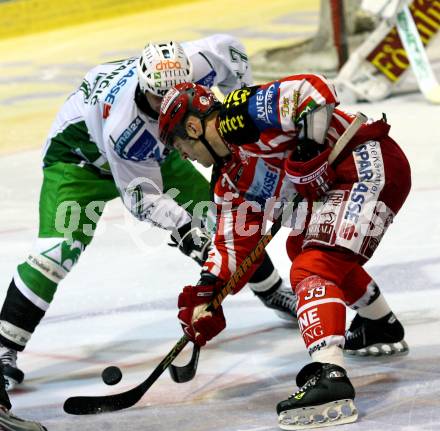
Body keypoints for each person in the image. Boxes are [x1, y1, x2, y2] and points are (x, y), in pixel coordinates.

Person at [0, 35, 298, 395]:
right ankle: (4, 349)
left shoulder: (199, 61)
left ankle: (272, 290)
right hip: (81, 162)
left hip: (163, 146)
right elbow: (142, 198)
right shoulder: (125, 129)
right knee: (56, 253)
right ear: (144, 87)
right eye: (159, 97)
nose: (169, 101)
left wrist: (245, 114)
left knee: (224, 220)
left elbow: (231, 53)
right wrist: (185, 229)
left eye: (179, 91)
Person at [157, 76, 411, 429]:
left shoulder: (240, 114)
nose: (183, 155)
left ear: (194, 126)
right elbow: (232, 246)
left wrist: (307, 148)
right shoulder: (229, 182)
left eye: (179, 144)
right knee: (300, 246)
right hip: (342, 183)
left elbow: (314, 90)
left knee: (313, 267)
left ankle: (330, 376)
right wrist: (207, 294)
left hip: (366, 163)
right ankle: (379, 323)